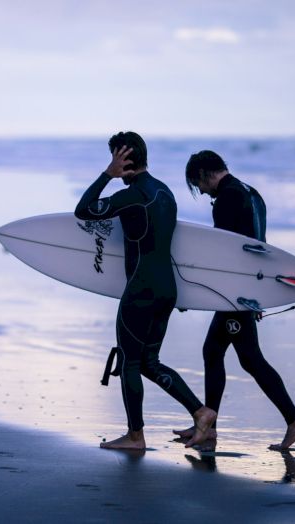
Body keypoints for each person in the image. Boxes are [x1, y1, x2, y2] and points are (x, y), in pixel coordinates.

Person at [74, 132, 216, 450]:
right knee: (150, 362)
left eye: (114, 158)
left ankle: (135, 435)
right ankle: (201, 411)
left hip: (141, 289)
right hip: (167, 288)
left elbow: (83, 211)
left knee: (130, 362)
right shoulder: (165, 193)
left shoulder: (134, 195)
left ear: (122, 159)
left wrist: (106, 176)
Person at [173, 150, 295, 450]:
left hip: (234, 293)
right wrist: (258, 294)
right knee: (214, 352)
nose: (201, 191)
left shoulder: (227, 198)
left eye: (197, 185)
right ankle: (208, 425)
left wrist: (196, 294)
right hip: (247, 289)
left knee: (250, 358)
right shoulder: (252, 193)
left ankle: (294, 420)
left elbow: (224, 256)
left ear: (203, 174)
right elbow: (259, 247)